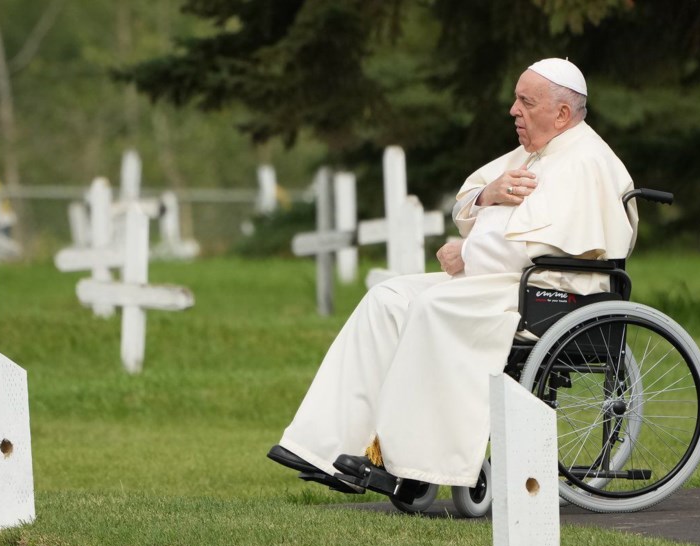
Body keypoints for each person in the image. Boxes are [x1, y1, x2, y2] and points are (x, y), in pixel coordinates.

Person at [268, 58, 638, 500]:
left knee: (432, 305)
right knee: (389, 296)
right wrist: (489, 193)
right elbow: (466, 200)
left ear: (561, 113)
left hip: (553, 291)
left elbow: (539, 248)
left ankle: (403, 462)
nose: (513, 111)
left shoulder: (585, 161)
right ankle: (326, 447)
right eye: (515, 99)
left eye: (526, 101)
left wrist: (468, 251)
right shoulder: (534, 152)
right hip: (509, 281)